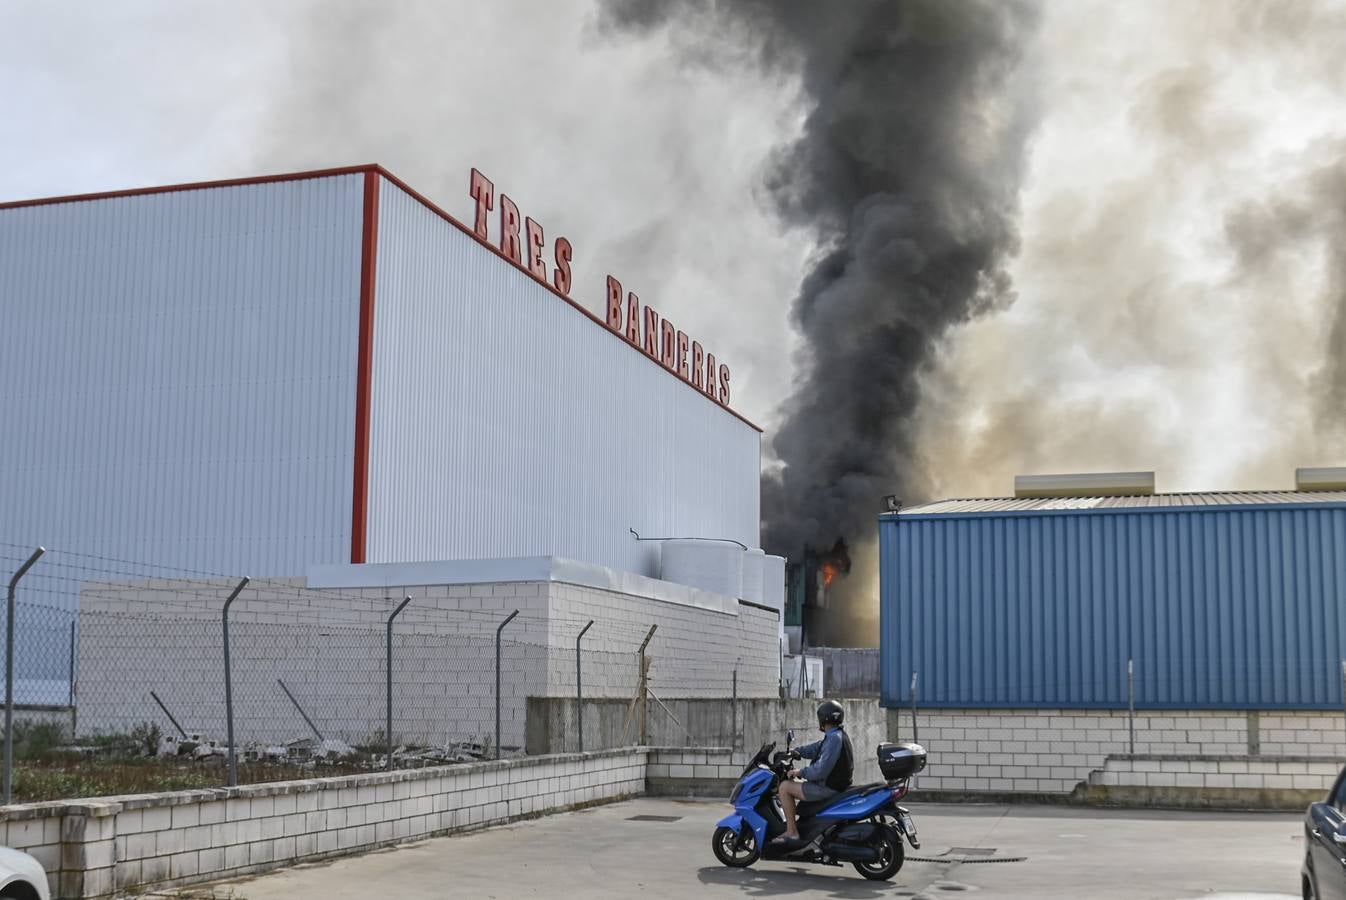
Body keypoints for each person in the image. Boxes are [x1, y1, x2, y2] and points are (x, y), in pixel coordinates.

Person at [773, 699, 853, 843]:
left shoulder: (834, 738)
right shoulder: (835, 735)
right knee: (791, 785)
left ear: (823, 718)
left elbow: (821, 770)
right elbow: (817, 748)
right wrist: (797, 751)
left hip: (827, 788)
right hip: (832, 785)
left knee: (784, 787)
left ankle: (792, 832)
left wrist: (799, 772)